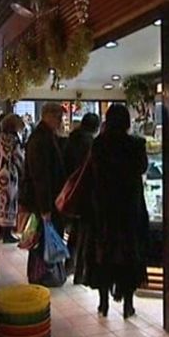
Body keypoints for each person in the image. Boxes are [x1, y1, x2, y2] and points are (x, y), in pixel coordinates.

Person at [79, 104, 148, 319]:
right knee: (129, 256)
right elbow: (143, 168)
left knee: (104, 255)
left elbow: (92, 174)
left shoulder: (99, 144)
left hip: (103, 209)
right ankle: (128, 304)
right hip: (130, 208)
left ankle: (103, 304)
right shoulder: (137, 144)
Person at [22, 103, 67, 285]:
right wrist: (45, 207)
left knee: (44, 238)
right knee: (42, 239)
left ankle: (45, 273)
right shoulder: (41, 139)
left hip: (46, 199)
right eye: (58, 117)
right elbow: (41, 176)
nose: (60, 121)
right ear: (48, 116)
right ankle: (43, 275)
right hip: (44, 200)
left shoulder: (45, 136)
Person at [63, 113, 100, 274]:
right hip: (86, 193)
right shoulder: (90, 143)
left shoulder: (70, 140)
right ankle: (79, 269)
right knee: (83, 233)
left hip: (70, 191)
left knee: (75, 232)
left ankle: (70, 264)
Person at [0, 114, 24, 244]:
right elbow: (18, 157)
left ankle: (1, 232)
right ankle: (7, 233)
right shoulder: (13, 139)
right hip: (8, 174)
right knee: (8, 202)